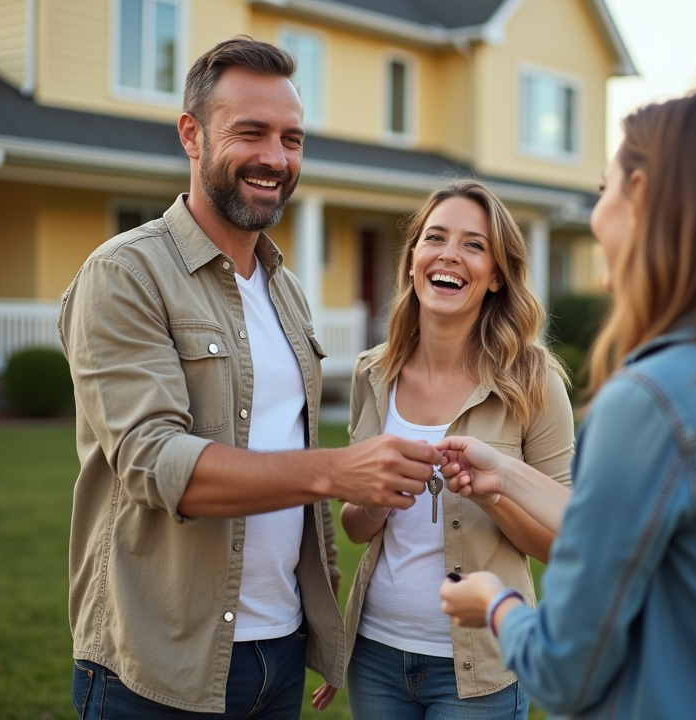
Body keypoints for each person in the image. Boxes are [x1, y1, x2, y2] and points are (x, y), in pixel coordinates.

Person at [439, 92, 696, 719]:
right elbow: (667, 534)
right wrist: (508, 476)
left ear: (639, 192)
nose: (598, 210)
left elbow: (564, 670)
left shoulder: (650, 402)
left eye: (605, 188)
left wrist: (496, 602)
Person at [59, 36, 439, 720]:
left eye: (292, 138)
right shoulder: (125, 274)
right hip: (160, 664)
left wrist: (320, 593)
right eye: (252, 133)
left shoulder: (283, 287)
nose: (275, 158)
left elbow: (281, 441)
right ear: (192, 135)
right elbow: (153, 462)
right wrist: (335, 472)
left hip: (280, 649)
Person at [314, 179, 575, 718]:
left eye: (474, 245)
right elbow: (354, 525)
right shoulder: (374, 372)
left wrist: (493, 496)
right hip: (377, 654)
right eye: (435, 238)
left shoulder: (535, 381)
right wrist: (380, 497)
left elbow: (564, 544)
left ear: (497, 276)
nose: (450, 255)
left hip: (481, 666)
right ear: (413, 260)